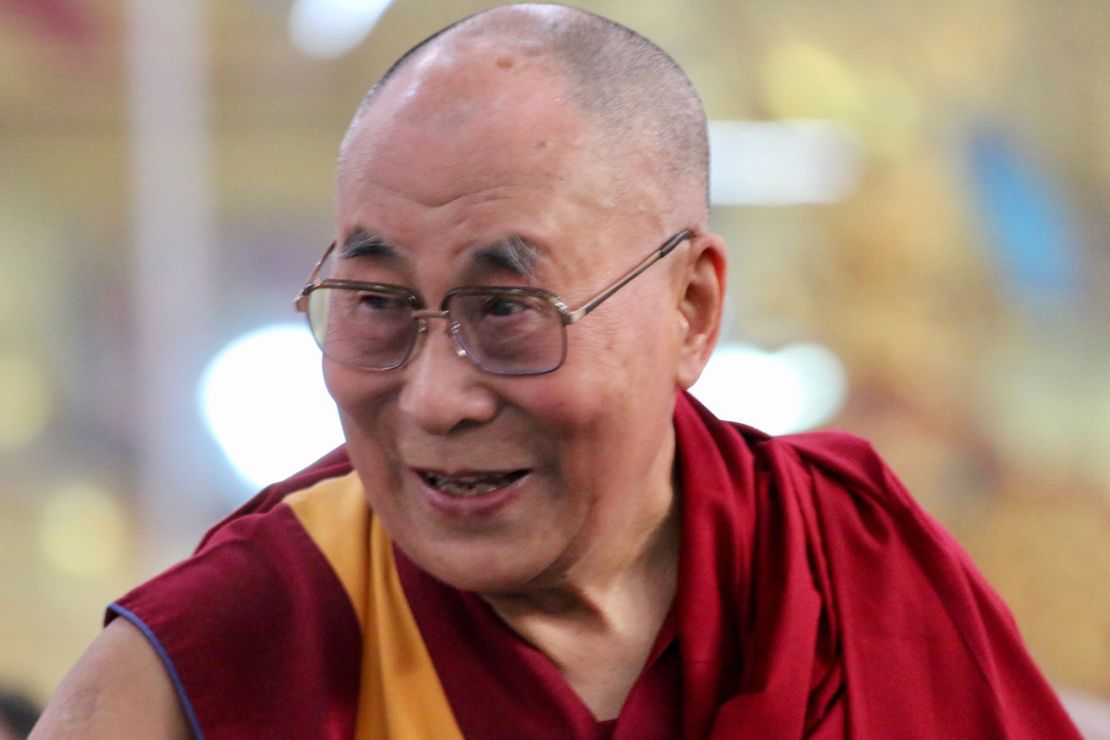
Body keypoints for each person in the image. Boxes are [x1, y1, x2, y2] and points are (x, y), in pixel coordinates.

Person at [33, 5, 1080, 739]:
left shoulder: (856, 572)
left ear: (693, 310)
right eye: (379, 305)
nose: (436, 399)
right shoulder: (215, 657)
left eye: (507, 310)